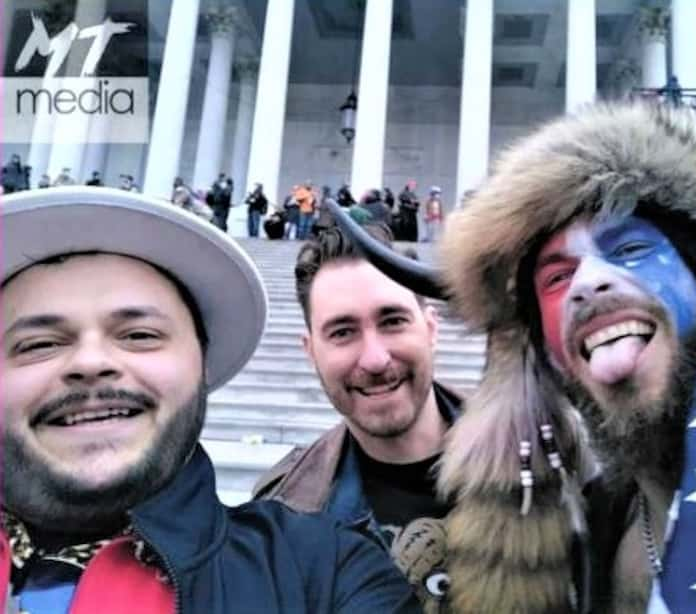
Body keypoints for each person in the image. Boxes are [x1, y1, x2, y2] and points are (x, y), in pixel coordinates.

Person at [324, 102, 696, 612]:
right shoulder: (599, 531)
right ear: (546, 351)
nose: (587, 284)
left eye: (630, 249)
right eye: (556, 278)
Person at [1, 186, 420, 613]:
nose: (90, 362)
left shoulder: (326, 574)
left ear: (202, 365)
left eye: (139, 335)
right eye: (39, 344)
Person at [254, 226, 463, 611]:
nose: (375, 359)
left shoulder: (549, 465)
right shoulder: (282, 515)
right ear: (311, 351)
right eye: (343, 332)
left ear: (431, 329)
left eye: (393, 321)